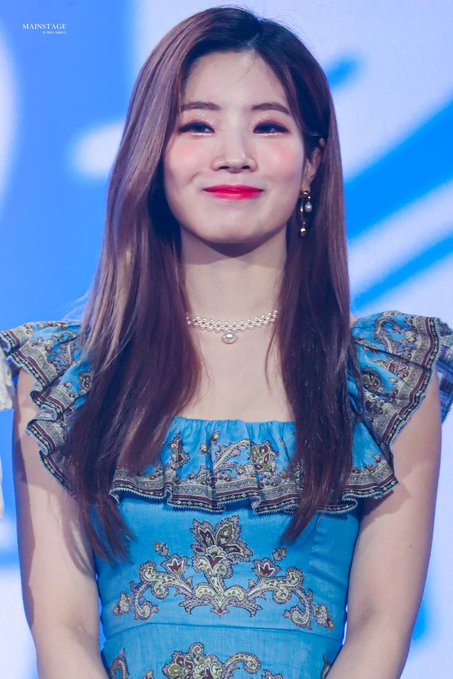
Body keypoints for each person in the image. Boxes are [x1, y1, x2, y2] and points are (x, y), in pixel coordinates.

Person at [0, 6, 452, 678]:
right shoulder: (63, 379)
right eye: (197, 126)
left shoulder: (387, 380)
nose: (233, 154)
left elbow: (380, 627)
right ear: (154, 154)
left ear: (311, 162)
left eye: (268, 126)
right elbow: (62, 628)